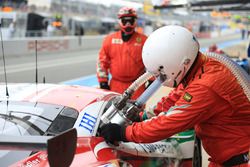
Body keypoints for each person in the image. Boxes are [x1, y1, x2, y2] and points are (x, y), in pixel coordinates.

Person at [100, 25, 250, 166]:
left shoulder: (207, 85)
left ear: (177, 61)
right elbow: (175, 97)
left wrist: (124, 133)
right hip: (226, 157)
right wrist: (143, 116)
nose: (161, 78)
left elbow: (169, 122)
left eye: (162, 74)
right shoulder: (201, 68)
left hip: (236, 161)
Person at [96, 7, 148, 99]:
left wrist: (151, 81)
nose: (128, 24)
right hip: (115, 85)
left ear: (135, 21)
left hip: (137, 86)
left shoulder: (145, 41)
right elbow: (102, 62)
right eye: (125, 21)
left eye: (131, 21)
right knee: (112, 112)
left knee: (137, 112)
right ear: (120, 21)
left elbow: (151, 63)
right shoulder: (109, 40)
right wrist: (103, 82)